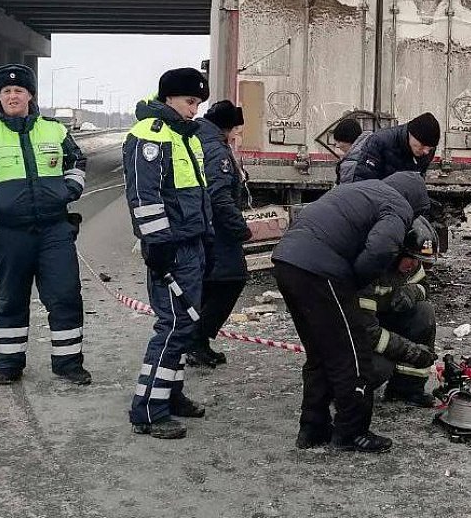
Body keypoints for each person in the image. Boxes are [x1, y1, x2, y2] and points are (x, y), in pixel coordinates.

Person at [0, 63, 91, 386]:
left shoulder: (54, 130)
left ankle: (68, 363)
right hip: (7, 232)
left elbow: (76, 162)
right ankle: (9, 364)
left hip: (55, 229)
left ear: (30, 95)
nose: (13, 96)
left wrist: (68, 190)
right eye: (7, 91)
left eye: (19, 90)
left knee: (65, 295)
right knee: (11, 298)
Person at [272, 172, 431, 453]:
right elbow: (381, 247)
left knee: (320, 353)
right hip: (321, 269)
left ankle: (313, 428)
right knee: (352, 354)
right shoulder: (399, 206)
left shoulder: (364, 191)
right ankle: (351, 432)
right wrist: (355, 283)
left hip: (287, 260)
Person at [123, 68, 212, 440]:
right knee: (173, 326)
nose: (194, 109)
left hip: (190, 242)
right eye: (190, 102)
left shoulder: (183, 134)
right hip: (171, 248)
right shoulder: (151, 135)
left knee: (185, 326)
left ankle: (170, 395)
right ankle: (148, 410)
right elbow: (145, 197)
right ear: (170, 98)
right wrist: (157, 245)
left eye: (197, 103)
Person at [185, 100, 252, 368]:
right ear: (227, 127)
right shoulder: (216, 149)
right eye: (236, 128)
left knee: (211, 283)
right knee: (231, 279)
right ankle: (196, 340)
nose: (237, 134)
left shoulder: (202, 138)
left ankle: (198, 341)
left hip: (206, 227)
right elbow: (219, 195)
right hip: (219, 230)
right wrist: (241, 228)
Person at [358, 216, 439, 407]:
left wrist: (412, 291)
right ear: (397, 251)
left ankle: (406, 389)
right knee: (380, 368)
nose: (413, 265)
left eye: (418, 260)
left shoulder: (412, 265)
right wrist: (410, 351)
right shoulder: (371, 267)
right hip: (358, 331)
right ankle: (345, 393)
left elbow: (423, 286)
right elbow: (366, 332)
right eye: (410, 258)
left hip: (381, 322)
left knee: (423, 313)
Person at [336, 112, 440, 184]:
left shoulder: (427, 151)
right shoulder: (379, 142)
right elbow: (362, 183)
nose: (426, 152)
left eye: (430, 148)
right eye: (422, 145)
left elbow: (418, 183)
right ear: (411, 134)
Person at [332, 117, 369, 184]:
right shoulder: (370, 151)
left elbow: (345, 191)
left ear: (348, 140)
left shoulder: (350, 164)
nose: (337, 146)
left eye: (339, 141)